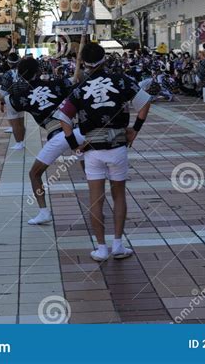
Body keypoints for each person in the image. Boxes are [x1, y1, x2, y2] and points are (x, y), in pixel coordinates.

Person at [58, 43, 150, 262]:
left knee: (95, 199)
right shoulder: (121, 80)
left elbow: (63, 118)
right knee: (119, 195)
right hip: (118, 146)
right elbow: (145, 102)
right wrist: (135, 130)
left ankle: (100, 248)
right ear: (105, 59)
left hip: (92, 149)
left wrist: (74, 145)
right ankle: (118, 244)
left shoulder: (80, 87)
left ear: (84, 63)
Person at [0, 56, 75, 225]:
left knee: (34, 174)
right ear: (39, 71)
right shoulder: (57, 84)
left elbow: (4, 99)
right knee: (88, 165)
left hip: (57, 135)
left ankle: (44, 212)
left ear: (21, 76)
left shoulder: (22, 96)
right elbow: (76, 79)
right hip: (77, 130)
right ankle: (99, 205)